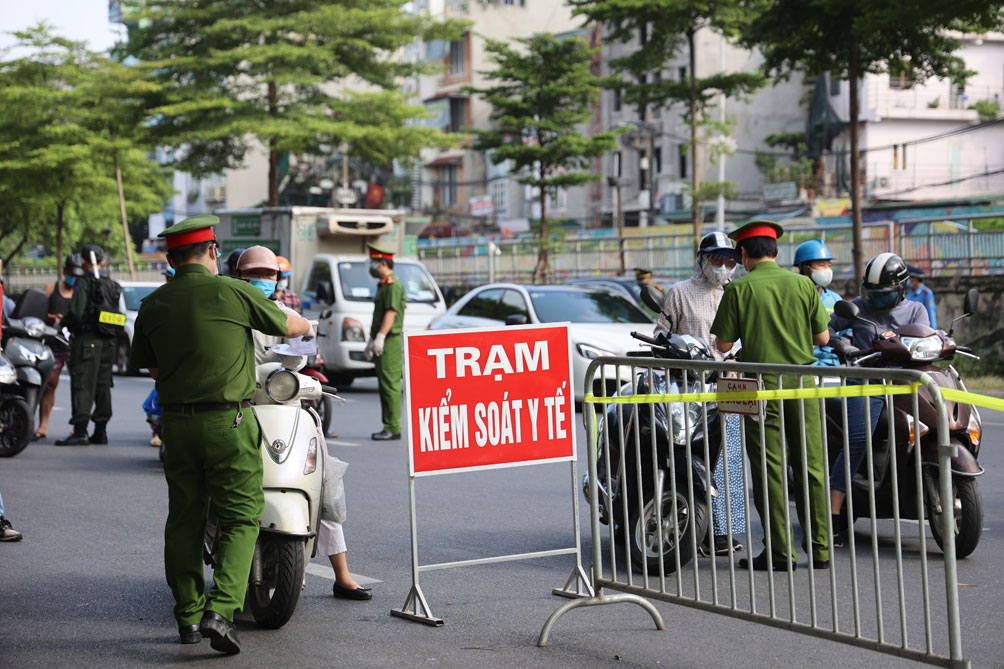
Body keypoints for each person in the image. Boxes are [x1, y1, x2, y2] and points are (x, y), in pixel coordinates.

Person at [129, 215, 311, 653]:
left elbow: (153, 369)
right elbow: (288, 327)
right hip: (228, 423)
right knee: (241, 515)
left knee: (185, 521)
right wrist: (306, 326)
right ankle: (221, 609)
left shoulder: (153, 305)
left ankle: (188, 619)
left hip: (177, 425)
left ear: (170, 259)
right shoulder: (234, 291)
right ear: (213, 251)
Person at [237, 246, 371, 601]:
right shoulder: (230, 315)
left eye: (269, 276)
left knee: (324, 484)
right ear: (239, 277)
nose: (262, 282)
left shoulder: (286, 315)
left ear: (278, 281)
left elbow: (305, 354)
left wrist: (309, 370)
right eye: (255, 275)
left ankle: (342, 574)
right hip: (241, 409)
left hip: (286, 410)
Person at [710, 220, 831, 571]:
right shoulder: (804, 286)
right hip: (803, 383)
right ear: (777, 252)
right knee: (811, 466)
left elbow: (723, 344)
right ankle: (820, 549)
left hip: (758, 387)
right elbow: (822, 339)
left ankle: (781, 553)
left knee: (769, 468)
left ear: (744, 254)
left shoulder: (739, 289)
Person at [826, 253, 929, 546]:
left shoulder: (916, 310)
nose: (876, 301)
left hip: (905, 383)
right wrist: (842, 344)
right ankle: (833, 517)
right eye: (872, 294)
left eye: (884, 295)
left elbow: (926, 336)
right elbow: (827, 330)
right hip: (865, 381)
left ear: (901, 289)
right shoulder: (857, 308)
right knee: (857, 440)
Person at [655, 231, 745, 555]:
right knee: (689, 450)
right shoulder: (679, 292)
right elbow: (660, 335)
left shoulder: (735, 293)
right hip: (687, 383)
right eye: (716, 259)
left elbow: (739, 340)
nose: (724, 267)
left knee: (728, 456)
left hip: (729, 381)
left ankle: (723, 531)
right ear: (702, 261)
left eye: (730, 260)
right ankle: (695, 521)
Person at [54, 245, 121, 447]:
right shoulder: (112, 284)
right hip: (109, 342)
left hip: (87, 341)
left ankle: (80, 430)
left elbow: (76, 312)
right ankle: (100, 432)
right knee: (103, 385)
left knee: (83, 383)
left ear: (84, 261)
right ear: (102, 262)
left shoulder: (84, 283)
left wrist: (62, 323)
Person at [35, 254, 85, 440]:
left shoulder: (81, 291)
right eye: (72, 273)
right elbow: (39, 312)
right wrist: (52, 318)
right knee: (49, 385)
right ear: (65, 271)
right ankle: (43, 426)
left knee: (79, 387)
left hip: (74, 344)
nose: (74, 277)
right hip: (54, 343)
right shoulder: (51, 288)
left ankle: (78, 429)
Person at [366, 245, 406, 441]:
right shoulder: (383, 285)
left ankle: (393, 426)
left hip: (390, 341)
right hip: (383, 339)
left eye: (374, 263)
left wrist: (381, 336)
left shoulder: (392, 286)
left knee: (390, 385)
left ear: (383, 263)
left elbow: (391, 313)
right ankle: (388, 425)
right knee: (384, 384)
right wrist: (372, 339)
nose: (372, 267)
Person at [793, 240, 844, 366]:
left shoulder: (835, 298)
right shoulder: (793, 298)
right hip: (805, 366)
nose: (827, 270)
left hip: (834, 365)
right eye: (821, 265)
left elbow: (845, 333)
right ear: (805, 268)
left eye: (829, 265)